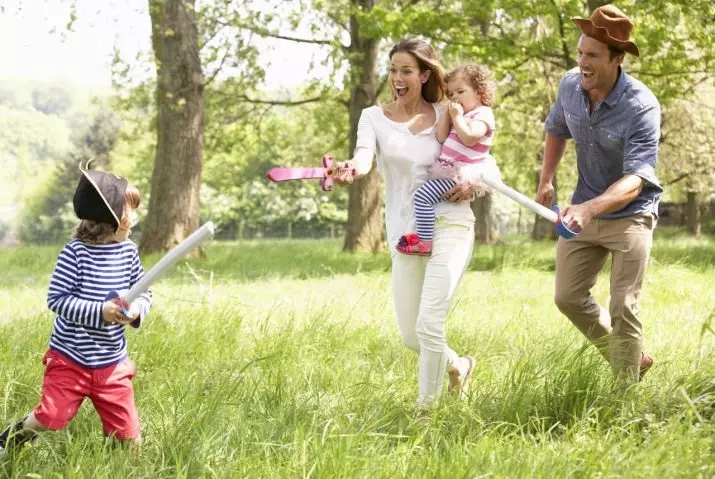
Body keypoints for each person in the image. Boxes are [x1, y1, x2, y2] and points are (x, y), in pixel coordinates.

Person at [339, 38, 480, 410]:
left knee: (429, 321)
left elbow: (477, 155)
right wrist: (348, 170)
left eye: (406, 70)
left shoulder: (447, 112)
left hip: (451, 224)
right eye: (392, 70)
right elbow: (363, 159)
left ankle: (424, 413)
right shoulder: (372, 117)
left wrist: (470, 183)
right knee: (411, 335)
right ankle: (459, 365)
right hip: (407, 234)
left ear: (423, 75)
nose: (397, 78)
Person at [536, 5, 661, 384]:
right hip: (584, 208)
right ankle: (630, 358)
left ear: (617, 58)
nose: (582, 63)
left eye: (591, 55)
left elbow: (638, 178)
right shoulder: (570, 85)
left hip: (630, 214)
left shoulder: (641, 106)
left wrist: (591, 207)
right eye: (579, 53)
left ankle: (624, 398)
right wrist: (547, 179)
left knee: (623, 305)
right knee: (567, 297)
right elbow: (557, 127)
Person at [0, 165, 152, 460]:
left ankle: (131, 468)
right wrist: (100, 311)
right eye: (131, 210)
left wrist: (136, 310)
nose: (135, 217)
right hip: (70, 359)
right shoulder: (75, 253)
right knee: (51, 417)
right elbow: (57, 299)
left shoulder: (129, 252)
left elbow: (144, 291)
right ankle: (8, 443)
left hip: (111, 363)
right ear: (111, 217)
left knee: (128, 431)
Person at [397, 63, 500, 255]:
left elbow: (470, 137)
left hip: (460, 174)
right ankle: (426, 236)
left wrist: (458, 118)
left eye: (461, 91)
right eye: (451, 94)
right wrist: (448, 115)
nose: (455, 98)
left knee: (421, 197)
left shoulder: (483, 114)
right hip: (446, 169)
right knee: (424, 197)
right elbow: (441, 137)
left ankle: (425, 242)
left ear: (478, 92)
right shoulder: (459, 114)